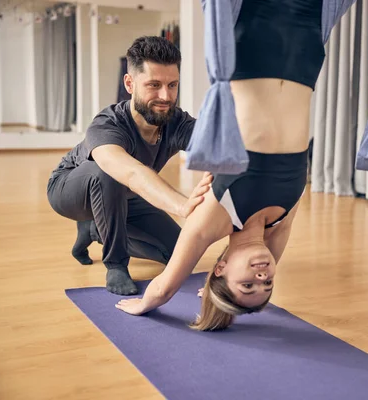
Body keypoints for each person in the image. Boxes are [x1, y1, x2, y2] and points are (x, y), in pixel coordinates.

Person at [114, 0, 323, 330]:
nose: (262, 276)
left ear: (221, 267)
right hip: (306, 47)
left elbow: (166, 285)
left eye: (248, 284)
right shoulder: (280, 221)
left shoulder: (216, 217)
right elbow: (272, 256)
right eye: (267, 285)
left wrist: (148, 302)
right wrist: (222, 288)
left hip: (254, 47)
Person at [47, 36, 212, 296]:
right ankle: (115, 263)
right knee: (107, 173)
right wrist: (182, 205)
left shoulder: (175, 122)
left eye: (172, 85)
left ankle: (94, 228)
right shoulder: (107, 124)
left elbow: (214, 144)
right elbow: (130, 172)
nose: (165, 96)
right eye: (154, 85)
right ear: (129, 83)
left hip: (123, 196)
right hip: (69, 189)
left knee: (179, 250)